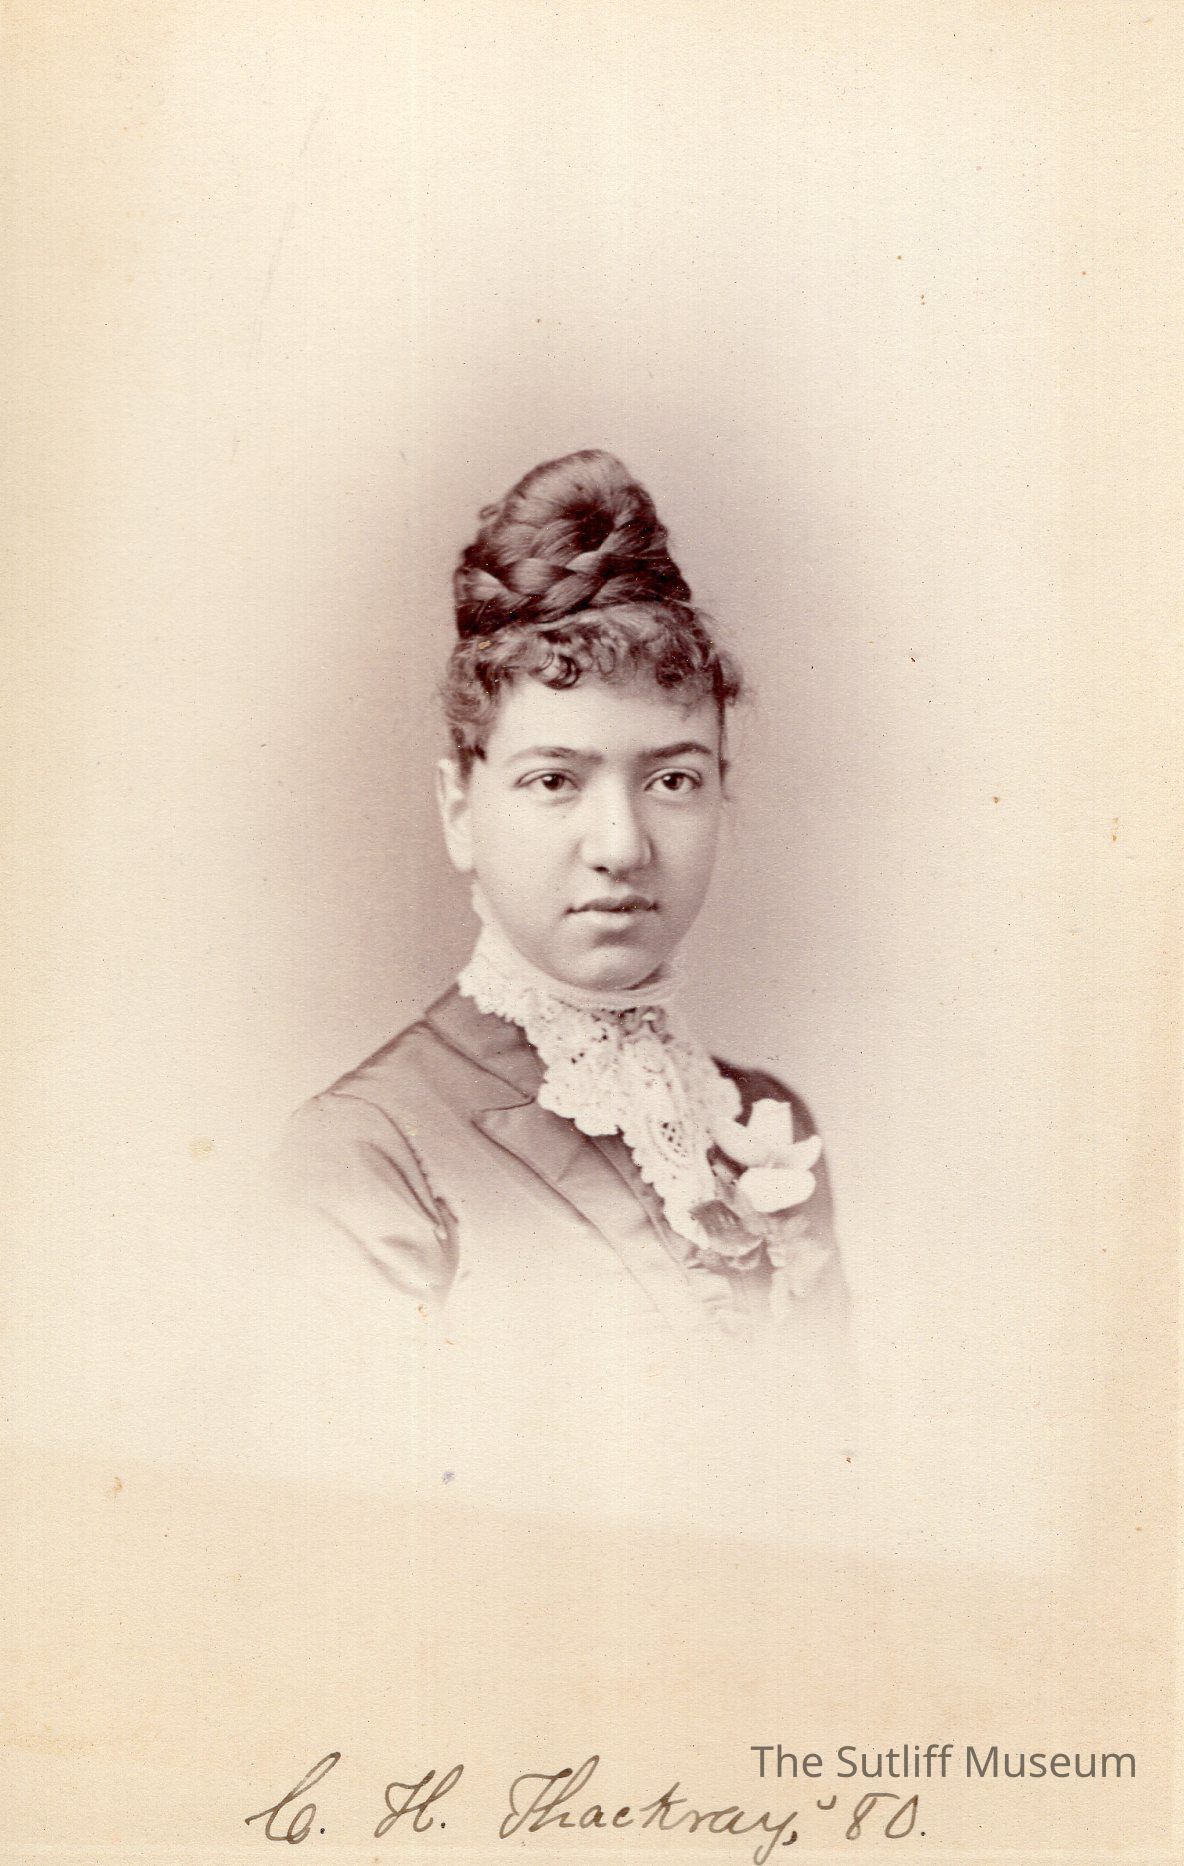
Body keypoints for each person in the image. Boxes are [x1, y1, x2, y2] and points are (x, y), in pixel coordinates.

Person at [271, 450, 851, 1509]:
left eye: (672, 778)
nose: (621, 846)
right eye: (553, 781)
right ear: (460, 809)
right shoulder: (362, 1153)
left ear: (722, 796)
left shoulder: (764, 1120)